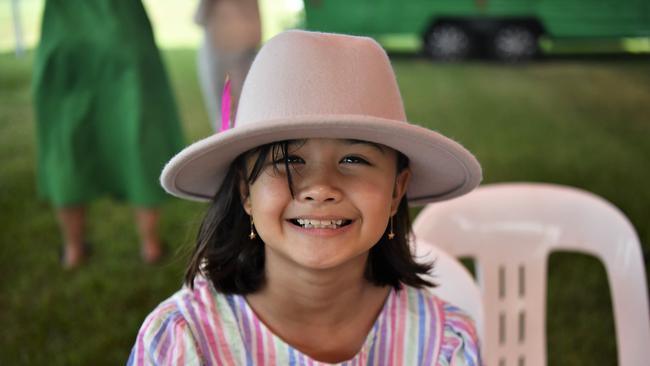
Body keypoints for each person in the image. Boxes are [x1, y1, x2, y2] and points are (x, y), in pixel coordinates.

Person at [128, 30, 482, 365]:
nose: (321, 188)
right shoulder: (183, 341)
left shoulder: (444, 343)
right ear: (244, 191)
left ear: (396, 191)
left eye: (353, 159)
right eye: (287, 159)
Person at [32, 0, 184, 269]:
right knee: (138, 131)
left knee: (66, 141)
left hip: (64, 38)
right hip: (123, 32)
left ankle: (73, 249)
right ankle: (150, 245)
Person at [195, 0, 261, 129]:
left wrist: (199, 15)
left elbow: (200, 16)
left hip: (227, 45)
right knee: (234, 116)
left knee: (232, 117)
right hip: (234, 42)